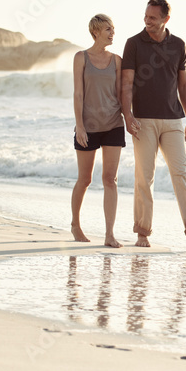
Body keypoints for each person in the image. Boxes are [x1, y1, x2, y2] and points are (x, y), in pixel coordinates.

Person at [121, 0, 186, 249]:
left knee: (181, 173)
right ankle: (142, 232)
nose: (147, 21)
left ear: (165, 19)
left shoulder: (178, 45)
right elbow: (126, 83)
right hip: (143, 120)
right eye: (145, 16)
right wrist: (127, 115)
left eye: (152, 17)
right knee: (145, 176)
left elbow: (184, 84)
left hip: (173, 119)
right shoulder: (133, 44)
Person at [71, 13, 127, 248]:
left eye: (113, 29)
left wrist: (130, 118)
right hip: (89, 126)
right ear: (95, 32)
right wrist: (80, 126)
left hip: (113, 123)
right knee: (85, 179)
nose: (112, 33)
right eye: (107, 29)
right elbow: (78, 93)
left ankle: (109, 234)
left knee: (110, 179)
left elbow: (120, 93)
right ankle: (75, 224)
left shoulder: (116, 60)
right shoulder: (81, 58)